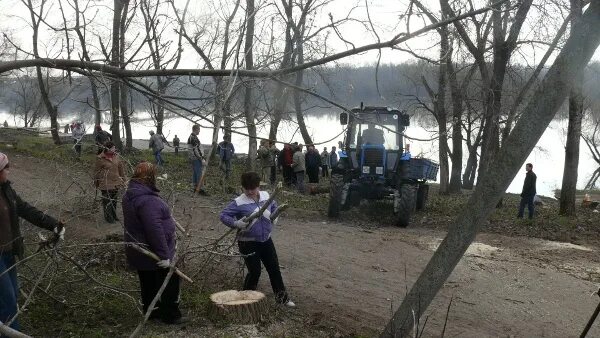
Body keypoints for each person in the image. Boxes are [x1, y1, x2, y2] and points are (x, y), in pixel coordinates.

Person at [0, 152, 65, 331]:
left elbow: (27, 210)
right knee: (8, 301)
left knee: (11, 295)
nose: (9, 171)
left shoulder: (7, 190)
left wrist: (53, 225)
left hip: (8, 254)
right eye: (6, 168)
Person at [122, 162, 186, 324]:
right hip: (154, 251)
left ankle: (153, 313)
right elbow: (154, 229)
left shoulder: (130, 194)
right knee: (169, 281)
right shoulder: (147, 200)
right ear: (150, 177)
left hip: (139, 249)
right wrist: (165, 256)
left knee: (148, 281)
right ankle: (171, 315)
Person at [219, 171, 295, 307]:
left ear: (258, 186)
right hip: (247, 243)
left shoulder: (266, 196)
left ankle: (282, 298)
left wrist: (275, 215)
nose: (249, 191)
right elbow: (224, 215)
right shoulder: (238, 202)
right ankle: (244, 300)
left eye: (252, 188)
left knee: (274, 269)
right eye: (246, 188)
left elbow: (273, 206)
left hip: (266, 240)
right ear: (243, 187)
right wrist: (236, 223)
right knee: (255, 271)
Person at [94, 142, 125, 223]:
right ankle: (109, 218)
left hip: (116, 183)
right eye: (113, 148)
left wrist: (124, 179)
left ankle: (114, 216)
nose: (114, 149)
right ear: (108, 149)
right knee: (107, 202)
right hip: (105, 184)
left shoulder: (117, 156)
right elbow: (96, 172)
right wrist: (96, 182)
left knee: (114, 201)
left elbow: (121, 169)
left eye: (114, 147)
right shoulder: (100, 158)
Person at [187, 124, 206, 193]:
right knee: (199, 173)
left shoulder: (191, 137)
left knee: (195, 172)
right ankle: (200, 189)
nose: (199, 131)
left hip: (193, 158)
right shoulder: (194, 138)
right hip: (196, 158)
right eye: (199, 130)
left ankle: (195, 187)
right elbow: (196, 150)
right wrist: (201, 158)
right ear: (196, 129)